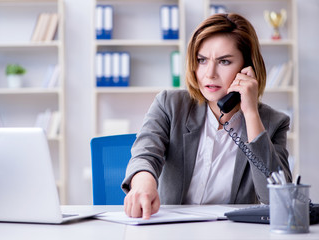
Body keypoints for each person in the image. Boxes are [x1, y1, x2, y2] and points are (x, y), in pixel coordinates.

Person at [121, 13, 292, 219]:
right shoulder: (170, 105)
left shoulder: (273, 123)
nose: (210, 73)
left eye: (224, 62)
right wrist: (144, 184)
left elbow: (277, 199)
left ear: (248, 68)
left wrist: (251, 113)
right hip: (172, 231)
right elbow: (145, 155)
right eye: (202, 60)